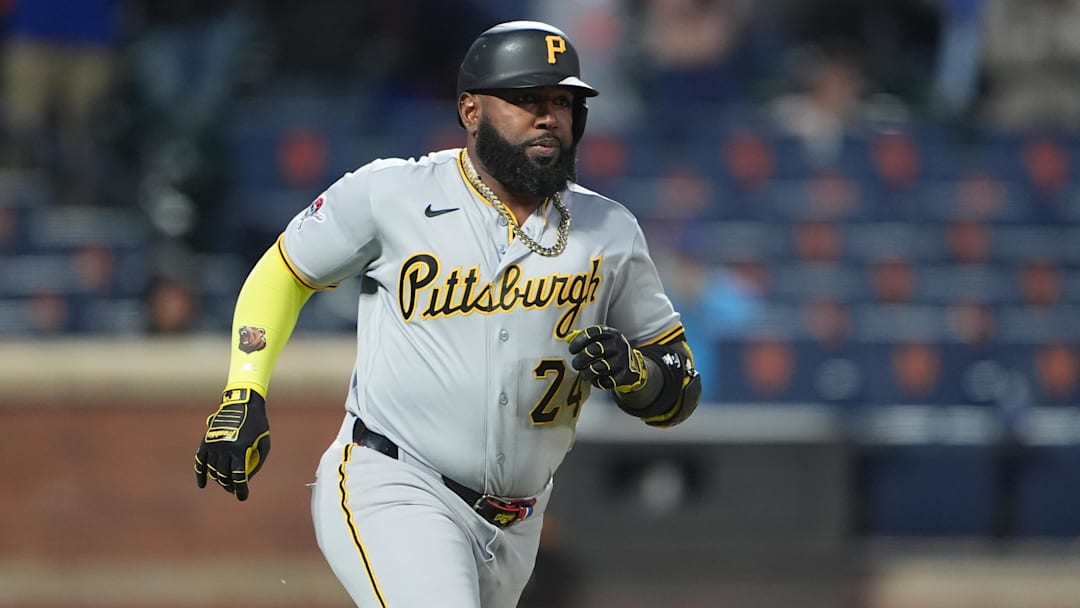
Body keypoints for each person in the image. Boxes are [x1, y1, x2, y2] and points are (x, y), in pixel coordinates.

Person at [193, 21, 701, 608]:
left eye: (562, 101)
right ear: (471, 110)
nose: (548, 117)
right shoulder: (393, 194)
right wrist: (244, 390)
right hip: (398, 483)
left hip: (518, 523)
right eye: (525, 99)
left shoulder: (608, 229)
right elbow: (283, 271)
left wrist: (639, 374)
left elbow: (678, 386)